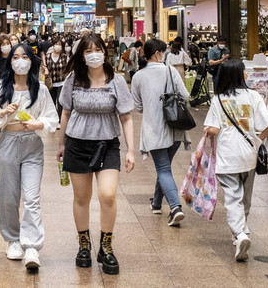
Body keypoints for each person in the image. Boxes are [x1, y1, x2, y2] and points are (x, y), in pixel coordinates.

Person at [56, 34, 136, 275]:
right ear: (82, 55)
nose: (93, 54)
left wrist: (131, 149)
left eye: (97, 49)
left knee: (108, 195)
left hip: (107, 144)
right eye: (88, 50)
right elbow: (66, 112)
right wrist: (60, 144)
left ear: (105, 51)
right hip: (77, 144)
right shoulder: (74, 79)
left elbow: (126, 117)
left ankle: (106, 246)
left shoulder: (117, 81)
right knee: (82, 198)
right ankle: (84, 245)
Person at [0, 43, 58, 270]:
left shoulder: (41, 89)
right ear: (10, 61)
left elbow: (51, 119)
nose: (20, 61)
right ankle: (13, 240)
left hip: (31, 146)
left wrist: (38, 123)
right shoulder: (0, 87)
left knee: (31, 196)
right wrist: (2, 112)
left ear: (31, 60)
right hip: (7, 143)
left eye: (25, 56)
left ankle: (32, 245)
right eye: (15, 56)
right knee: (8, 196)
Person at [203, 59, 268, 262]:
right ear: (240, 75)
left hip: (227, 156)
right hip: (249, 155)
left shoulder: (218, 99)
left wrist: (209, 130)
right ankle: (242, 232)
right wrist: (257, 141)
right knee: (246, 198)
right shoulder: (253, 96)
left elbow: (213, 129)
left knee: (233, 198)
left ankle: (240, 234)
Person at [131, 39, 188, 226]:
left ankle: (175, 207)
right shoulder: (171, 71)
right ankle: (156, 203)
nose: (164, 55)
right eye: (163, 52)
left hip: (154, 129)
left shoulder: (138, 76)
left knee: (163, 169)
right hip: (176, 127)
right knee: (165, 168)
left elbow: (138, 106)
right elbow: (185, 96)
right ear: (157, 53)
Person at [44, 37, 69, 120]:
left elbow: (69, 68)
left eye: (59, 45)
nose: (58, 46)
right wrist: (45, 69)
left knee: (60, 101)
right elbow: (43, 67)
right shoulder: (47, 57)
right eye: (56, 44)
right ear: (53, 46)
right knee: (51, 101)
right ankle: (53, 118)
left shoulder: (64, 57)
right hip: (51, 83)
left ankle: (59, 119)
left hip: (62, 83)